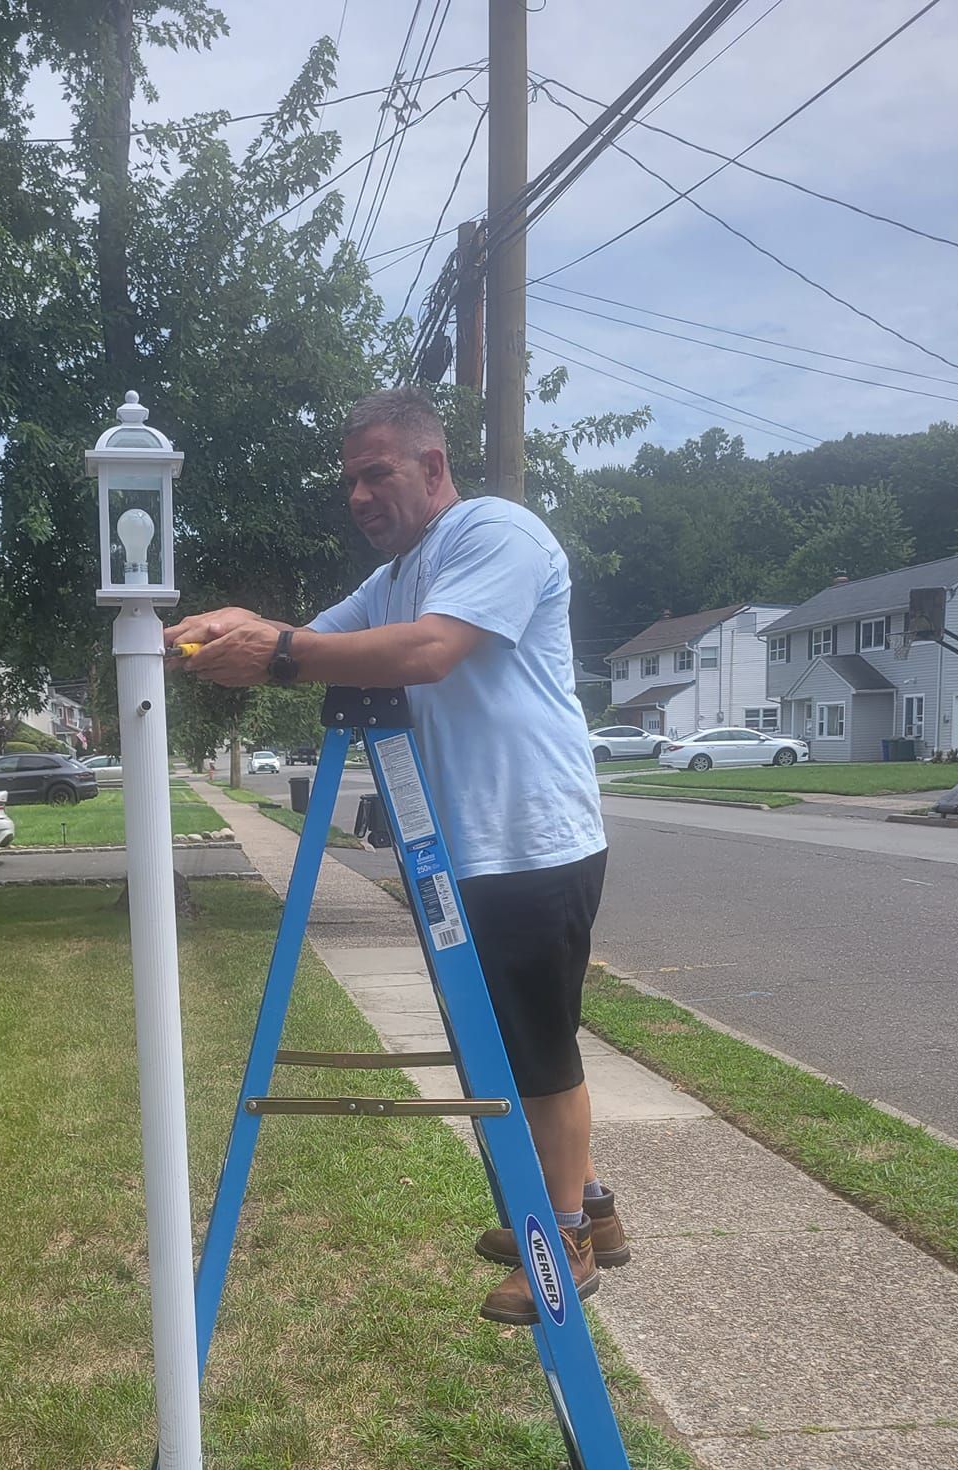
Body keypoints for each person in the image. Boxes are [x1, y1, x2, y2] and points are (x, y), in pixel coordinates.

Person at [165, 387, 628, 1322]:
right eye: (350, 483)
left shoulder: (499, 534)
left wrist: (279, 650)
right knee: (488, 1044)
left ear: (433, 467)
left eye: (377, 473)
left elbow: (427, 653)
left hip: (532, 843)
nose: (361, 495)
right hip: (463, 853)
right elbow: (327, 636)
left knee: (536, 1052)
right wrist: (230, 626)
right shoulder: (400, 575)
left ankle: (568, 1234)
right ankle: (591, 1209)